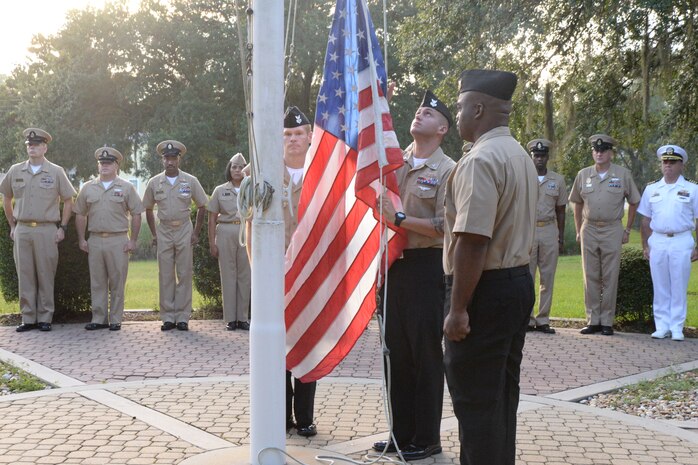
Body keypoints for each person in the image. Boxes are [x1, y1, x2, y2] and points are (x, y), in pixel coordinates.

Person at [443, 69, 537, 465]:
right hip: (516, 283)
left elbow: (473, 240)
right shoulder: (519, 154)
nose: (458, 114)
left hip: (484, 291)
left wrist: (459, 309)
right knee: (500, 401)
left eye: (461, 106)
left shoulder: (480, 159)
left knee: (477, 406)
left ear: (478, 108)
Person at [373, 90, 455, 461]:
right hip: (393, 266)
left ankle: (427, 437)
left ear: (442, 129)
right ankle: (399, 433)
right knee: (396, 354)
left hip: (425, 268)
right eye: (419, 111)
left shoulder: (448, 170)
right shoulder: (393, 162)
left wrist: (401, 219)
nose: (420, 115)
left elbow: (444, 226)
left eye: (429, 113)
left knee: (424, 354)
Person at [0, 128, 76, 332]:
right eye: (29, 145)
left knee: (45, 273)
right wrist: (12, 226)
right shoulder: (15, 170)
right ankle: (28, 318)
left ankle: (45, 317)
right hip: (23, 229)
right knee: (24, 274)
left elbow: (69, 199)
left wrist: (63, 227)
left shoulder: (56, 171)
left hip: (46, 230)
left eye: (35, 145)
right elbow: (6, 197)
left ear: (44, 147)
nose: (31, 147)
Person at [569, 134, 640, 336]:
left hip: (612, 228)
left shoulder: (623, 174)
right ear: (593, 152)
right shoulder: (583, 175)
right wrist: (577, 229)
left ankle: (607, 321)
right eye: (596, 150)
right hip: (589, 228)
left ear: (610, 153)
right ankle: (593, 320)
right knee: (590, 275)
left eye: (603, 150)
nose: (599, 153)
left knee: (610, 275)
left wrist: (627, 229)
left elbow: (634, 201)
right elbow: (576, 202)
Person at [74, 147, 144, 331]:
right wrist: (82, 239)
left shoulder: (127, 187)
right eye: (102, 163)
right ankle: (98, 318)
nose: (104, 166)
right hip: (95, 240)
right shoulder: (88, 187)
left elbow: (137, 214)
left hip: (118, 240)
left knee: (117, 281)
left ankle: (115, 319)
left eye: (108, 163)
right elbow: (80, 214)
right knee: (97, 281)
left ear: (116, 165)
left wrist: (133, 240)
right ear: (98, 165)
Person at [280, 106, 317, 438]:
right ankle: (280, 415)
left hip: (309, 272)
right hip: (275, 275)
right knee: (277, 346)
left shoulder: (323, 174)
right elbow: (250, 229)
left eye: (298, 134)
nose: (293, 139)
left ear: (310, 137)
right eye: (287, 135)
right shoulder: (264, 176)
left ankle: (305, 417)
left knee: (306, 344)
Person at [143, 140, 207, 331]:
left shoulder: (190, 181)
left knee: (185, 273)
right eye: (166, 158)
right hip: (164, 230)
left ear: (179, 159)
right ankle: (168, 317)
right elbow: (147, 208)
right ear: (162, 160)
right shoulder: (154, 182)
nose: (170, 162)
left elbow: (202, 205)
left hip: (184, 230)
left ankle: (183, 317)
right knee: (165, 274)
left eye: (173, 158)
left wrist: (196, 232)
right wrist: (154, 234)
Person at [638, 145, 698, 342]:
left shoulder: (692, 188)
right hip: (658, 241)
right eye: (665, 162)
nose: (668, 166)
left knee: (679, 284)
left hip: (681, 240)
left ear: (681, 165)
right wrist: (645, 245)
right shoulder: (652, 188)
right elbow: (645, 220)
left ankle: (677, 326)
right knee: (660, 285)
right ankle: (662, 326)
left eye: (672, 162)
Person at [526, 138, 567, 334]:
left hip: (549, 229)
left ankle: (543, 320)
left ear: (547, 157)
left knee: (547, 277)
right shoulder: (524, 177)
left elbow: (561, 210)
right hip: (529, 229)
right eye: (536, 156)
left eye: (542, 156)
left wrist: (560, 238)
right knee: (527, 277)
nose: (539, 159)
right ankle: (527, 319)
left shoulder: (557, 180)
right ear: (531, 157)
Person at [207, 153, 251, 331]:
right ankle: (230, 319)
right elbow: (211, 218)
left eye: (241, 167)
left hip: (245, 230)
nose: (237, 170)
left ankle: (243, 318)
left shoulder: (251, 189)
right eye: (234, 167)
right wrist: (212, 242)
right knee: (228, 275)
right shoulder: (220, 190)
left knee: (245, 276)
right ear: (229, 169)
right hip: (225, 231)